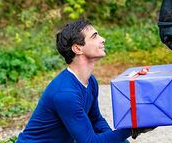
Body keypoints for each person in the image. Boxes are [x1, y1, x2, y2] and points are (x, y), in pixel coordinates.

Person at [17, 19, 152, 142]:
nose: (103, 39)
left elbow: (96, 120)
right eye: (94, 36)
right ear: (77, 48)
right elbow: (89, 142)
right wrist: (132, 129)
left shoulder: (91, 81)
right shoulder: (65, 93)